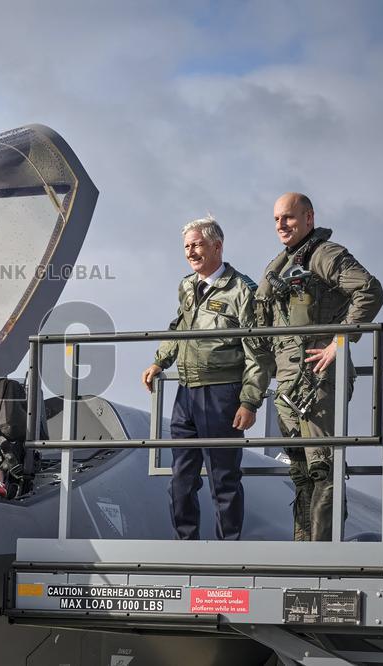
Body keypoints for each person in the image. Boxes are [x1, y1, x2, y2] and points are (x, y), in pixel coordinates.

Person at [255, 193, 383, 541]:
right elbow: (262, 332)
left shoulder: (324, 255)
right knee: (298, 469)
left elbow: (370, 291)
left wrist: (339, 343)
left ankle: (324, 555)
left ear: (308, 218)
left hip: (319, 382)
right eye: (277, 219)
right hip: (287, 386)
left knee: (323, 467)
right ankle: (303, 550)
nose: (282, 225)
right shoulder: (277, 266)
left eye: (289, 218)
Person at [142, 217, 269, 540]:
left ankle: (228, 549)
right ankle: (186, 544)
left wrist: (249, 400)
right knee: (180, 480)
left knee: (223, 478)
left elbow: (258, 350)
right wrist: (160, 361)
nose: (191, 252)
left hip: (223, 392)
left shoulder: (242, 290)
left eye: (197, 244)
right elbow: (180, 327)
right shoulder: (187, 286)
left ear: (217, 246)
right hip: (186, 392)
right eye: (187, 246)